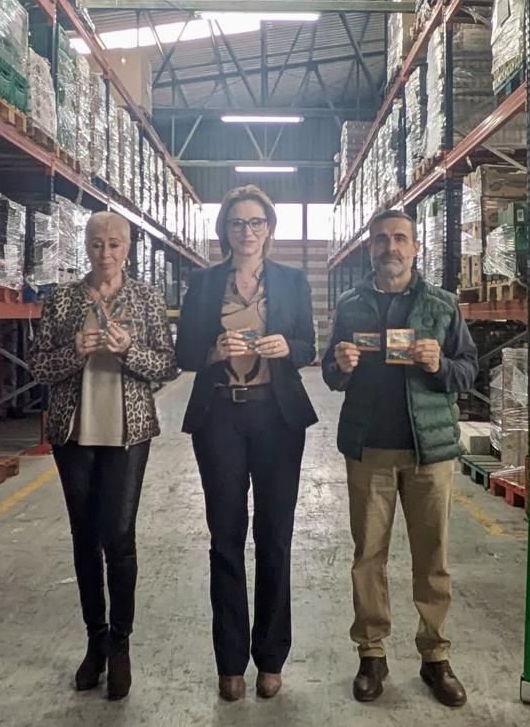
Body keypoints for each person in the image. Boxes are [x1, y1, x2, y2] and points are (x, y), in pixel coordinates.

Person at [322, 209, 478, 708]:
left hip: (429, 454)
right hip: (370, 450)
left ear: (414, 247)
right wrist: (339, 365)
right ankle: (372, 653)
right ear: (371, 248)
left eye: (400, 239)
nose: (391, 247)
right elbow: (330, 371)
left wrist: (440, 365)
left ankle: (435, 655)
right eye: (382, 240)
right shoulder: (350, 305)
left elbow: (468, 371)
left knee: (432, 558)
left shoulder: (442, 305)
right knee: (368, 557)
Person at [176, 185, 318, 702]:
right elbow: (184, 352)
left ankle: (271, 658)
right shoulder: (204, 282)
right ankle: (231, 660)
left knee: (276, 538)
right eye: (238, 223)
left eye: (256, 222)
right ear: (225, 231)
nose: (247, 231)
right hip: (221, 420)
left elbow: (308, 344)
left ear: (269, 228)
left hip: (277, 420)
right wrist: (212, 350)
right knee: (225, 539)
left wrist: (289, 348)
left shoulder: (292, 281)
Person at [30, 211, 177, 701]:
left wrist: (130, 350)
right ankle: (94, 639)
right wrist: (75, 350)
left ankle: (121, 644)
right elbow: (41, 366)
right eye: (96, 244)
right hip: (74, 435)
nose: (105, 253)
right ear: (85, 248)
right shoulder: (63, 301)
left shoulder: (147, 299)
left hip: (128, 434)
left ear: (128, 248)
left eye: (114, 244)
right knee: (85, 538)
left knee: (119, 536)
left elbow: (166, 365)